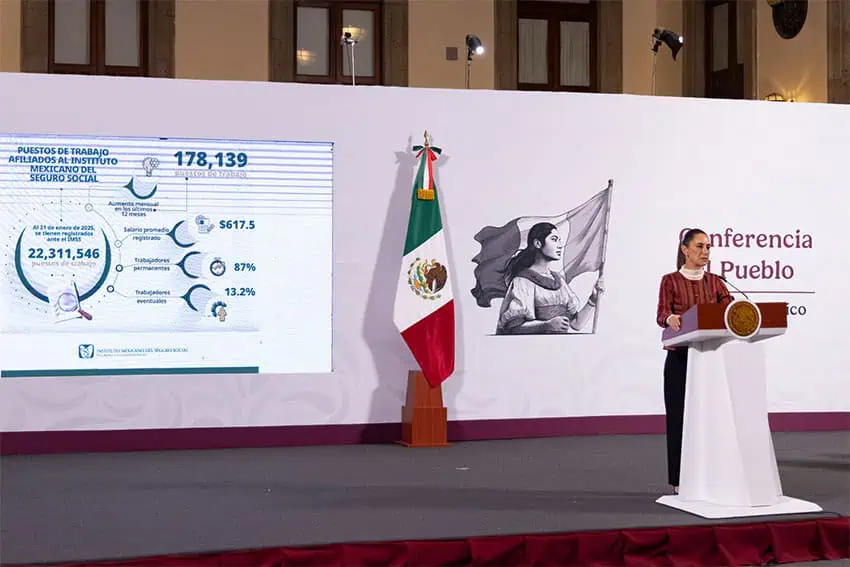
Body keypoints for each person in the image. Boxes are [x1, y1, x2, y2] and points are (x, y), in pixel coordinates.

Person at [656, 228, 734, 494]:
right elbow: (662, 312)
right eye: (700, 247)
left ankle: (713, 475)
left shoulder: (716, 282)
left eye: (709, 247)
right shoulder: (670, 280)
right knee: (679, 418)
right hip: (680, 359)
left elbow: (731, 309)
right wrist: (670, 319)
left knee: (712, 418)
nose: (705, 252)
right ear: (685, 249)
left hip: (710, 361)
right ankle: (679, 480)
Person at [496, 222, 604, 334]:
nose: (560, 245)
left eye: (559, 240)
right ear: (538, 243)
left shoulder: (559, 281)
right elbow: (513, 328)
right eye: (554, 239)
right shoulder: (522, 281)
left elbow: (576, 324)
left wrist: (593, 299)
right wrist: (546, 325)